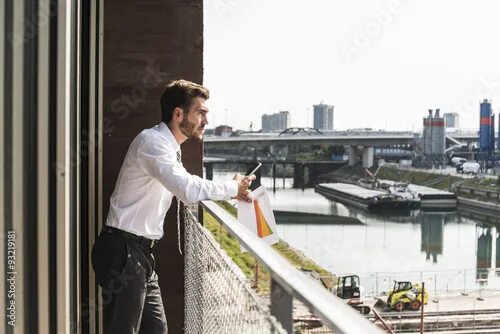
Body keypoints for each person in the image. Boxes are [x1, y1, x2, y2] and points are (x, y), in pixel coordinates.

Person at [91, 79, 255, 334]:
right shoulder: (153, 143)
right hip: (123, 251)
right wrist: (232, 187)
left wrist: (232, 194)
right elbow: (188, 189)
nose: (206, 121)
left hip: (140, 254)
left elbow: (186, 186)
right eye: (201, 113)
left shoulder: (168, 147)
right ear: (179, 114)